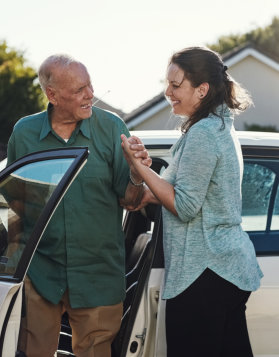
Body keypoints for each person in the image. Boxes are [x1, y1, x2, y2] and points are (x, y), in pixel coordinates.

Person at [121, 46, 263, 357]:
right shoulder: (216, 126)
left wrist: (142, 168)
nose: (167, 92)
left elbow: (184, 206)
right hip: (225, 269)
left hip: (206, 272)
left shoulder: (204, 133)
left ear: (202, 90)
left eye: (175, 85)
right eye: (166, 83)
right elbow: (171, 194)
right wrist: (144, 179)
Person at [7, 54, 150, 357]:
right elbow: (14, 202)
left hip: (98, 275)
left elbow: (131, 200)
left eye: (90, 86)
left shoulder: (112, 129)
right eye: (79, 90)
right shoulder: (24, 133)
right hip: (41, 274)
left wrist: (137, 176)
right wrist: (13, 264)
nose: (90, 95)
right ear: (52, 95)